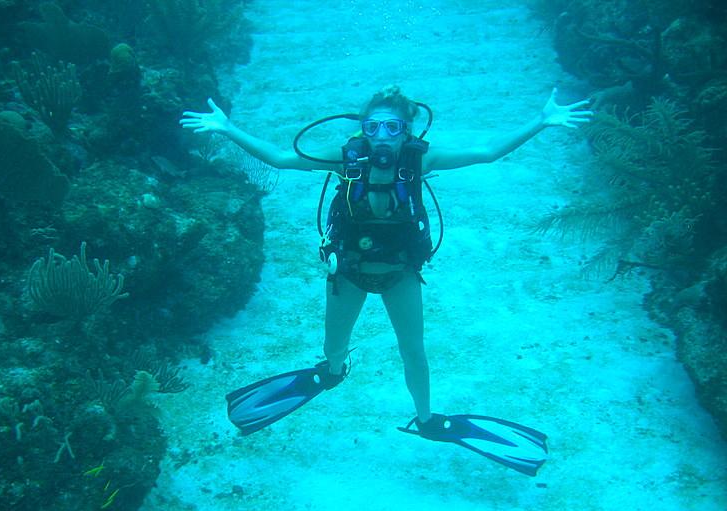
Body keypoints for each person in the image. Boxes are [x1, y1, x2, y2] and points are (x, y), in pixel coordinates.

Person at [180, 86, 591, 476]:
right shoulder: (345, 160)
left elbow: (485, 153)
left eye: (392, 128)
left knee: (414, 352)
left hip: (400, 274)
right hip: (349, 273)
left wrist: (542, 120)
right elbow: (280, 158)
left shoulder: (420, 161)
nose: (382, 137)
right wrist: (226, 128)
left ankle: (427, 419)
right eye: (373, 127)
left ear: (406, 131)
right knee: (331, 348)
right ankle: (334, 371)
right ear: (362, 129)